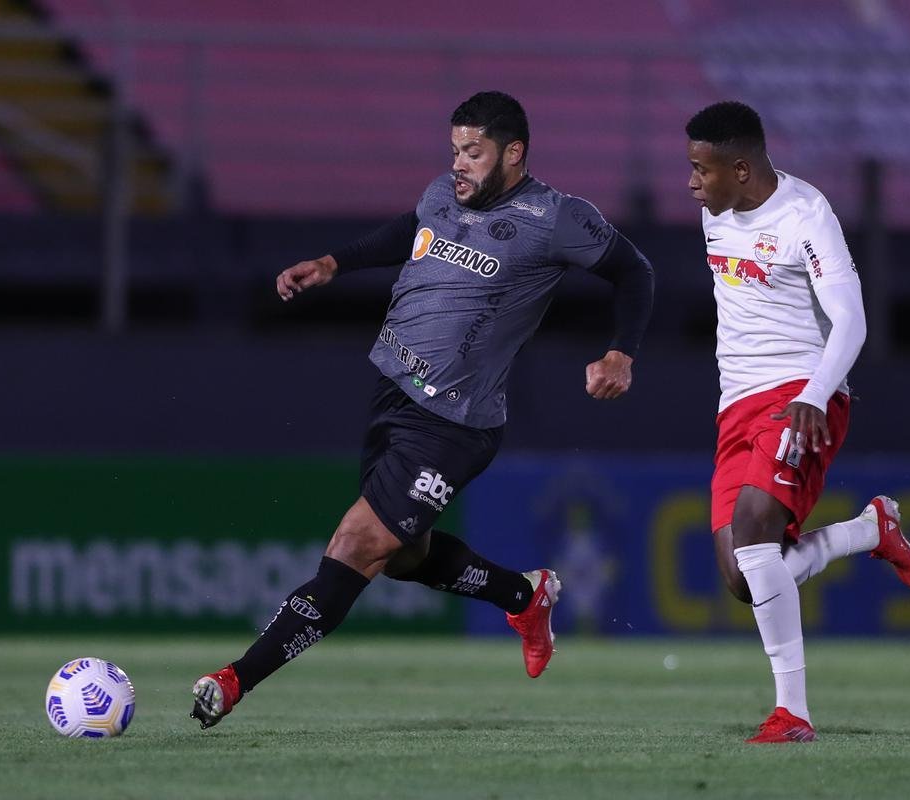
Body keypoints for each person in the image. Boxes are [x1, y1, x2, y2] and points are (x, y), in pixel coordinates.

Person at [191, 91, 655, 729]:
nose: (459, 163)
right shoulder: (444, 193)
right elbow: (414, 230)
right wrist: (334, 263)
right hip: (392, 395)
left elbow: (636, 272)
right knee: (404, 556)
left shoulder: (555, 218)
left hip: (453, 423)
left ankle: (234, 679)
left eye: (474, 151)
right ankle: (525, 595)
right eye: (455, 150)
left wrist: (620, 354)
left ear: (513, 154)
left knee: (356, 546)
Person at [685, 101, 910, 744]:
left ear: (741, 167)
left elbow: (851, 319)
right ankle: (870, 530)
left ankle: (792, 713)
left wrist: (816, 394)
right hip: (735, 407)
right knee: (744, 577)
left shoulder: (806, 215)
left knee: (758, 539)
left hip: (800, 397)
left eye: (701, 169)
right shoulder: (717, 213)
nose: (691, 182)